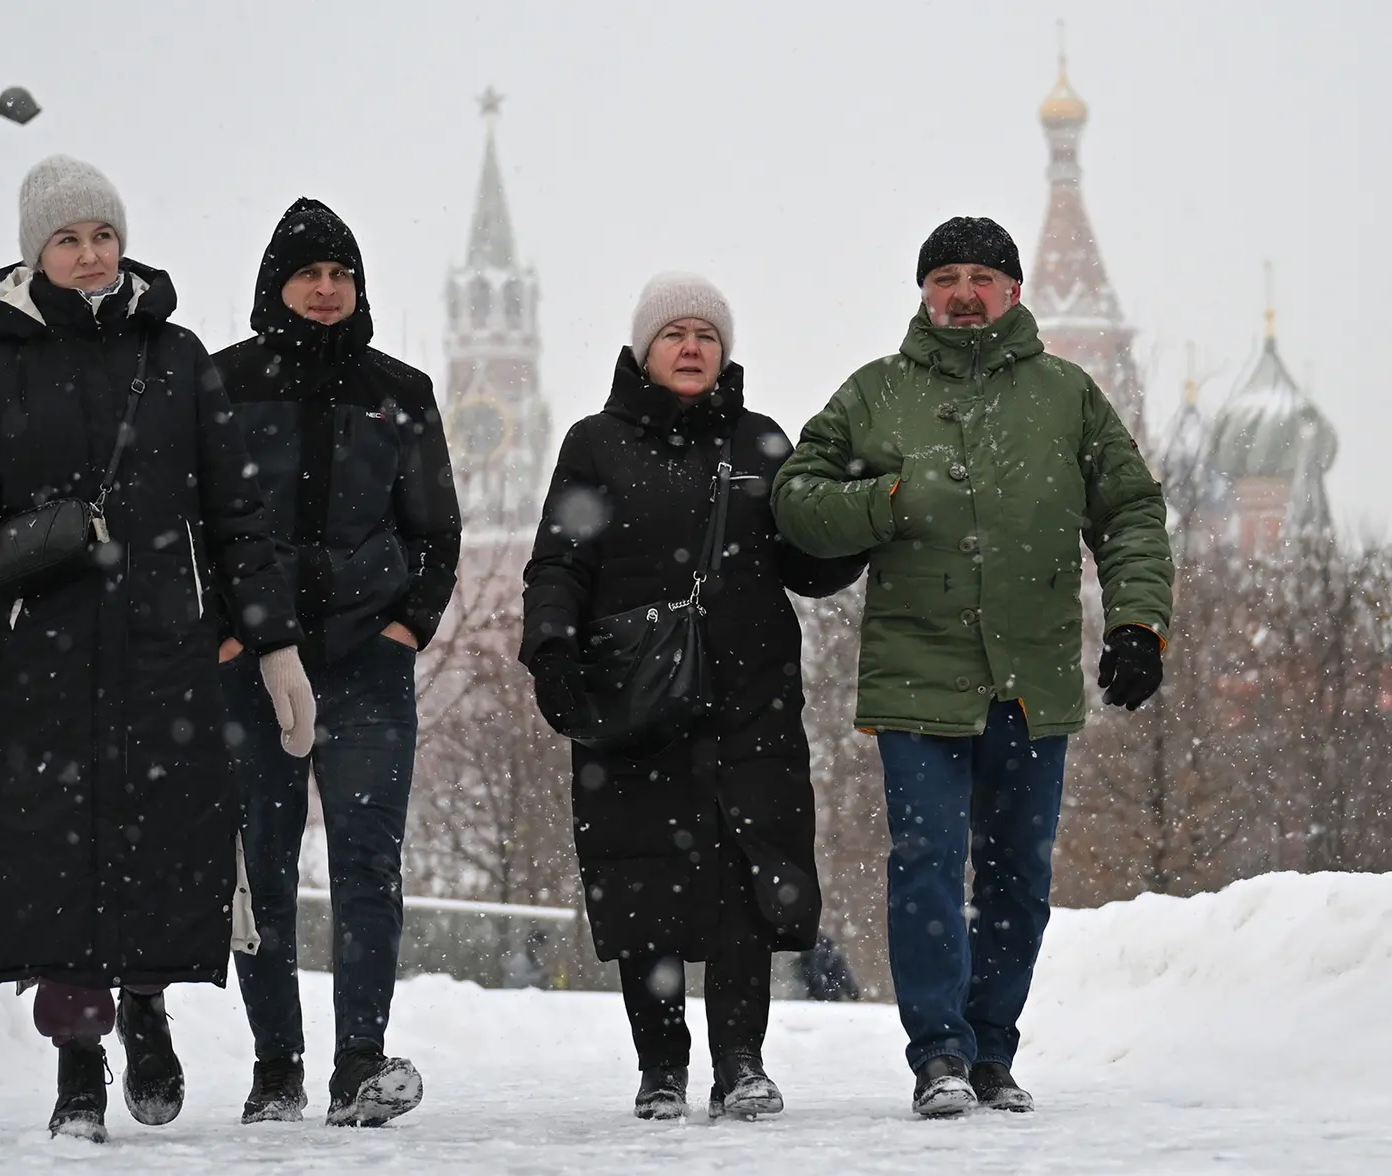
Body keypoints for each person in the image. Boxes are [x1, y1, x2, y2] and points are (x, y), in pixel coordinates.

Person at [0, 156, 317, 1143]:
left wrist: (274, 645)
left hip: (160, 653)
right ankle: (78, 1064)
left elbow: (237, 521)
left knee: (158, 848)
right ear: (33, 252)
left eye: (102, 236)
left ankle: (145, 1007)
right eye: (66, 239)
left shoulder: (175, 360)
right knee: (54, 862)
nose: (89, 256)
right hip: (37, 660)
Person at [771, 216, 1173, 1117]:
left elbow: (1132, 512)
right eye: (944, 276)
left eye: (980, 278)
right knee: (925, 862)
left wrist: (1137, 623)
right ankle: (938, 1055)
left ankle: (993, 1049)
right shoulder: (875, 394)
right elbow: (796, 499)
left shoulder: (1067, 396)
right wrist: (886, 497)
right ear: (922, 292)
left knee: (1017, 879)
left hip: (1032, 679)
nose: (962, 293)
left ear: (1013, 293)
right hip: (916, 676)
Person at [521, 274, 866, 1122]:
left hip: (749, 700)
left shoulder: (760, 446)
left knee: (749, 883)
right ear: (644, 348)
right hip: (634, 702)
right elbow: (560, 561)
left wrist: (855, 519)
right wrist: (552, 655)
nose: (690, 347)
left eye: (705, 335)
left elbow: (809, 566)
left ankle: (742, 1064)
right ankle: (661, 1069)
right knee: (646, 887)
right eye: (673, 333)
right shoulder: (593, 445)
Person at [211, 198, 461, 1127]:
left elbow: (435, 529)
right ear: (277, 284)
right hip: (252, 661)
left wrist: (409, 626)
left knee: (366, 866)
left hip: (366, 661)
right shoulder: (223, 385)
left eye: (340, 275)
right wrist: (227, 633)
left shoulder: (401, 389)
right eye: (309, 273)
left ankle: (359, 1058)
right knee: (260, 867)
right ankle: (275, 1066)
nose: (326, 290)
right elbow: (195, 525)